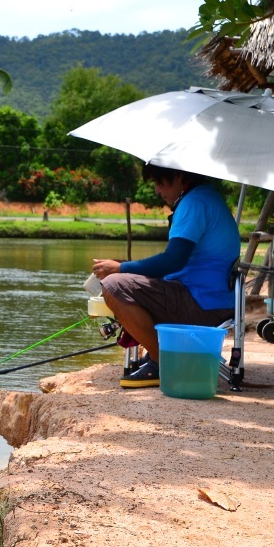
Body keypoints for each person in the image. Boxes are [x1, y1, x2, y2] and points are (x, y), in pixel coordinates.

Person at [92, 165, 241, 388]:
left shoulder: (194, 203)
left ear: (180, 176)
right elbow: (175, 262)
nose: (158, 191)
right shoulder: (206, 196)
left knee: (113, 285)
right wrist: (124, 266)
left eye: (161, 183)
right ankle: (158, 353)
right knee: (123, 275)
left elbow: (173, 261)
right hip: (213, 301)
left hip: (203, 305)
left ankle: (162, 360)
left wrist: (120, 269)